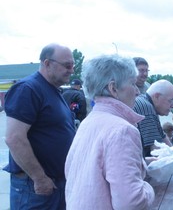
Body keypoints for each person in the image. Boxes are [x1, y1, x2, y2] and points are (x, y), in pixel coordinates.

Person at [65, 54, 155, 210]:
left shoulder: (89, 121)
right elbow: (131, 202)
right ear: (113, 88)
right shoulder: (122, 130)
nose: (137, 92)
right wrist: (148, 189)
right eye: (133, 84)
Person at [4, 43, 76, 209]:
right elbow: (14, 138)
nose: (72, 70)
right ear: (47, 63)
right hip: (36, 189)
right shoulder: (28, 89)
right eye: (67, 65)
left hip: (54, 184)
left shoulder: (53, 90)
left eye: (72, 65)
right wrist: (39, 178)